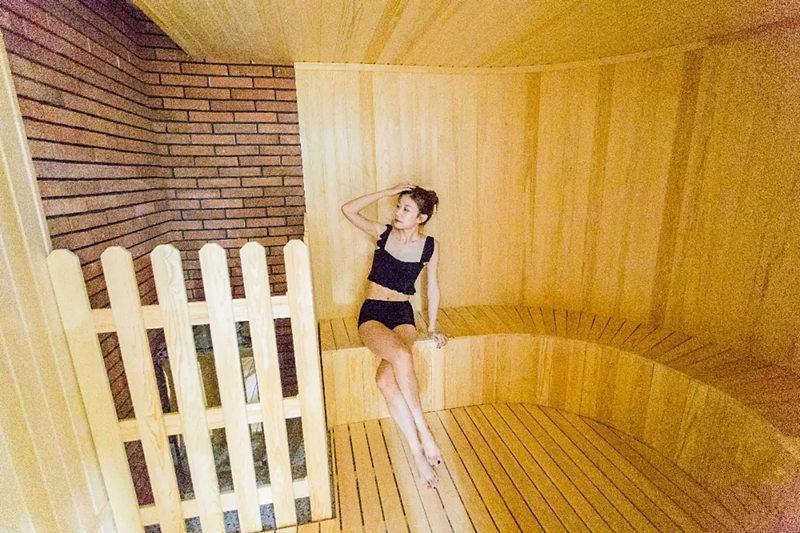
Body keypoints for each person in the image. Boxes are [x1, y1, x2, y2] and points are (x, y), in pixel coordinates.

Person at [341, 182, 448, 489]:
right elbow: (348, 210)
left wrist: (432, 326)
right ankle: (424, 432)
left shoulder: (429, 246)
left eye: (406, 209)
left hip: (403, 315)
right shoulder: (383, 234)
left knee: (385, 380)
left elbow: (432, 286)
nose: (398, 212)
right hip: (373, 314)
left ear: (421, 218)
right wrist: (387, 191)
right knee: (401, 354)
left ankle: (416, 454)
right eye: (398, 206)